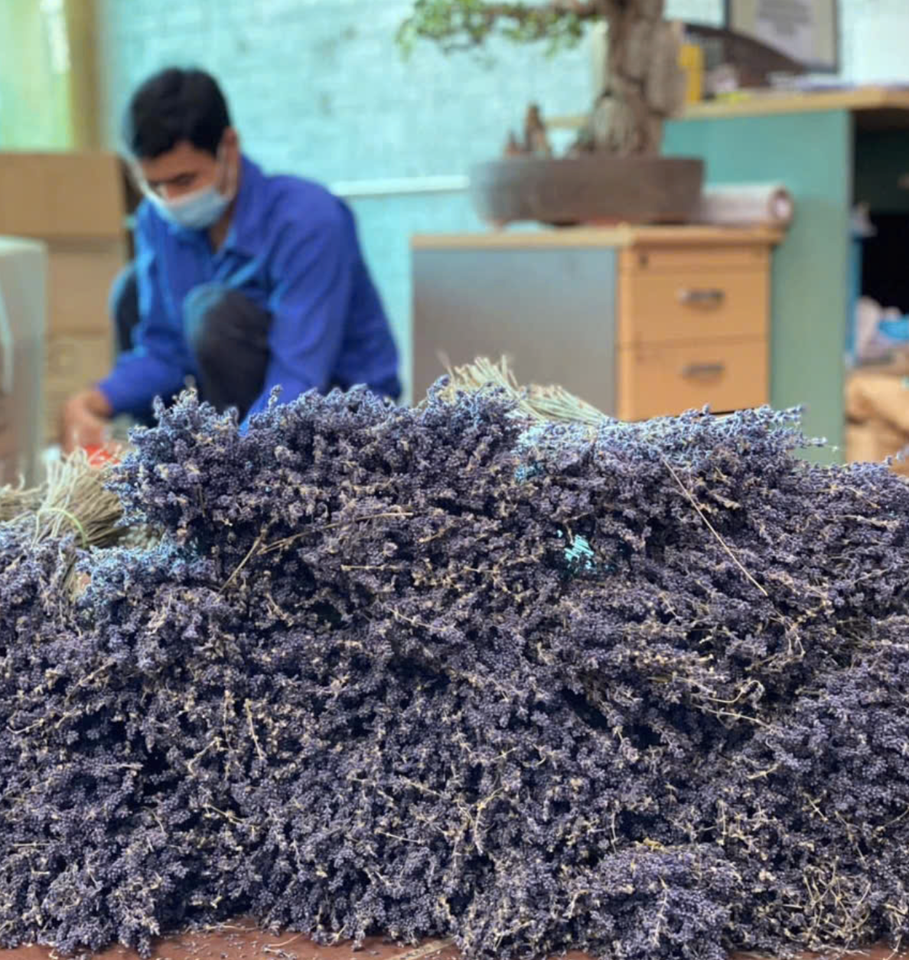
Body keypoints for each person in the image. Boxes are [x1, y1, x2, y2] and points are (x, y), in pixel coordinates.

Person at [62, 68, 401, 451]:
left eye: (185, 180)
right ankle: (164, 459)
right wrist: (92, 402)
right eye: (154, 186)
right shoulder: (156, 220)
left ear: (229, 147)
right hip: (235, 400)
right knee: (130, 290)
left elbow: (300, 374)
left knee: (212, 313)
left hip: (329, 403)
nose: (171, 200)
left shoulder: (310, 220)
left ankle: (233, 465)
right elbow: (165, 350)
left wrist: (231, 463)